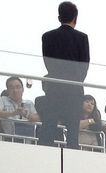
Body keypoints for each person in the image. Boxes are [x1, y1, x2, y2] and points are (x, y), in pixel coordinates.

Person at [40, 1, 89, 149]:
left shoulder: (47, 37)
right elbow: (84, 64)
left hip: (53, 89)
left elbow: (47, 62)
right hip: (74, 90)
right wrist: (76, 80)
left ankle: (45, 158)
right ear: (75, 18)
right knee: (73, 133)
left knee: (48, 129)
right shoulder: (82, 38)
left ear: (59, 17)